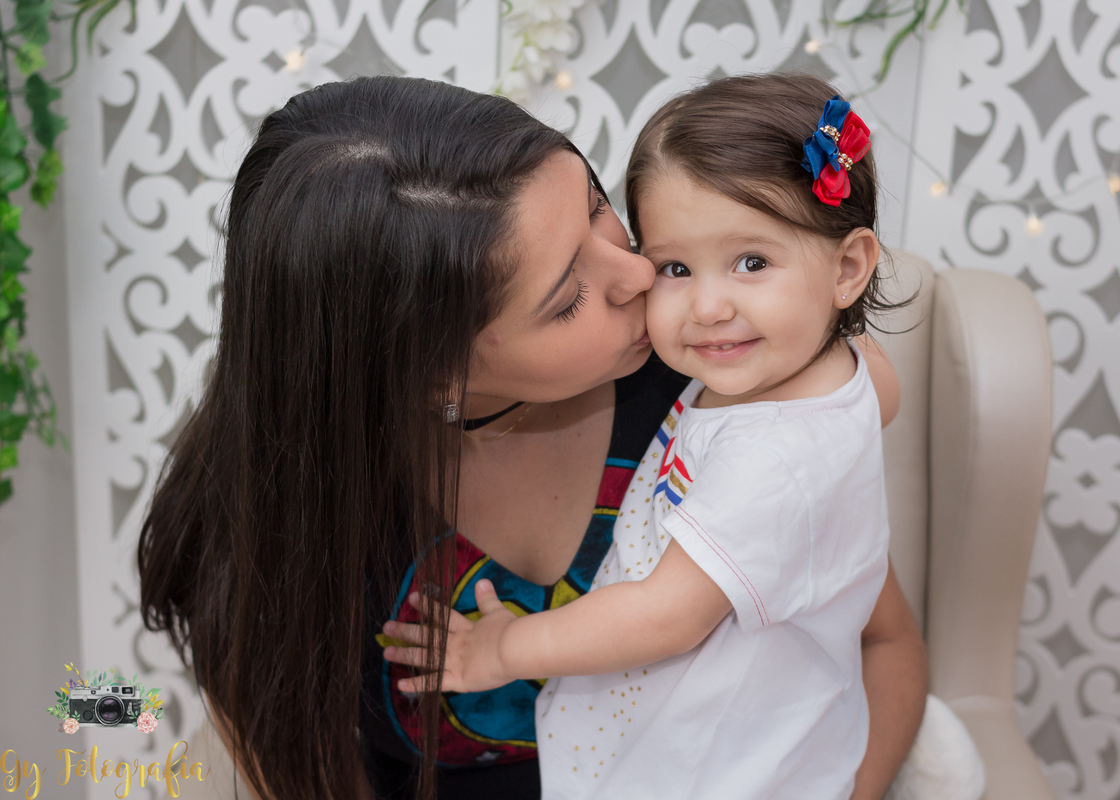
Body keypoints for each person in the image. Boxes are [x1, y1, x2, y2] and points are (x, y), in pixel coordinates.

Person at [137, 75, 927, 800]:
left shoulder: (710, 386)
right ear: (429, 371)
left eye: (594, 207)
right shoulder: (289, 517)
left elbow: (881, 642)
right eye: (566, 297)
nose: (639, 274)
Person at [389, 74, 901, 800]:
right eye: (676, 266)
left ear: (850, 266)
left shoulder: (775, 456)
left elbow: (669, 615)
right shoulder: (796, 375)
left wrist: (506, 648)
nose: (709, 306)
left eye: (752, 262)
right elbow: (878, 386)